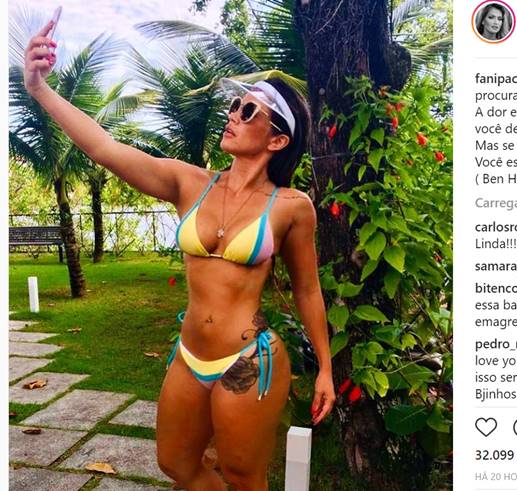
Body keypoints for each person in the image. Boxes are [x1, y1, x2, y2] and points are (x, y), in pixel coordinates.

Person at [23, 19, 335, 491]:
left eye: (249, 110)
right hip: (189, 355)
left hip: (248, 359)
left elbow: (308, 290)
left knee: (243, 475)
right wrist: (39, 88)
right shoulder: (189, 183)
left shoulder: (291, 207)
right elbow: (105, 148)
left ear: (277, 140)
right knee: (176, 463)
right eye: (235, 106)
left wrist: (326, 369)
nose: (234, 114)